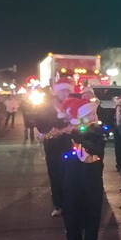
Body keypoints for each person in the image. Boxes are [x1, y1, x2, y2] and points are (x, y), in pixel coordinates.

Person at [60, 97, 105, 240]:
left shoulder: (97, 131)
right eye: (90, 113)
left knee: (93, 210)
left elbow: (97, 148)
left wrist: (79, 138)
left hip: (92, 175)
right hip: (73, 175)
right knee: (72, 210)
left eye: (94, 112)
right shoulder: (67, 133)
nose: (94, 116)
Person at [36, 81, 73, 217]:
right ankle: (58, 205)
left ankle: (69, 203)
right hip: (52, 143)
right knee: (55, 173)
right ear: (56, 91)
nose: (64, 93)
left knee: (69, 174)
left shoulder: (72, 104)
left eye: (67, 91)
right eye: (62, 91)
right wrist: (60, 122)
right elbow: (40, 123)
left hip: (69, 143)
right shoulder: (47, 105)